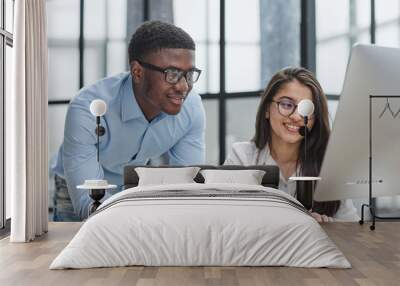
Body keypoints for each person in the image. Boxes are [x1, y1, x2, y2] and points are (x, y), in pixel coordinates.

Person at [51, 21, 206, 220]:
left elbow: (187, 187)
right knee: (76, 245)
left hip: (131, 187)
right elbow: (87, 202)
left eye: (189, 74)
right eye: (173, 74)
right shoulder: (88, 107)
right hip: (79, 187)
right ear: (137, 72)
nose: (184, 86)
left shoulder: (191, 108)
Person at [225, 67, 359, 222]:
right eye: (287, 104)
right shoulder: (242, 158)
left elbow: (352, 228)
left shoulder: (329, 166)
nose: (296, 116)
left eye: (306, 109)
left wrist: (329, 226)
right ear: (267, 109)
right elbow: (227, 221)